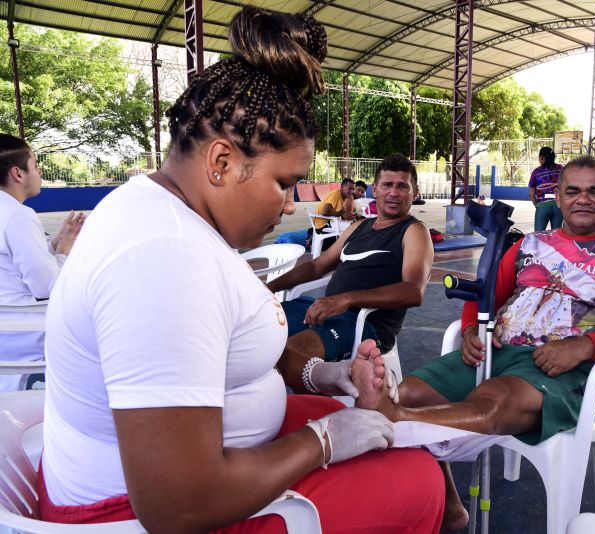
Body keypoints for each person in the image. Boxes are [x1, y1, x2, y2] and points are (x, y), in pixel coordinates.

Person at [39, 9, 443, 533]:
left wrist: (322, 376)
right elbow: (178, 506)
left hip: (204, 464)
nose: (288, 204)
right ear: (222, 163)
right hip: (132, 512)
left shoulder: (168, 216)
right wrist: (322, 442)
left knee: (394, 437)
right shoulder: (163, 257)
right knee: (417, 480)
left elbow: (225, 359)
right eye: (284, 183)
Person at [353, 155, 595, 531]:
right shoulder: (529, 245)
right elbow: (483, 293)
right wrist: (470, 330)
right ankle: (451, 506)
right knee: (405, 393)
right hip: (494, 351)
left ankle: (398, 420)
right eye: (573, 191)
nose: (583, 199)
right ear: (558, 197)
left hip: (561, 369)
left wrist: (583, 347)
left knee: (492, 402)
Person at [268, 153, 434, 393]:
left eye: (402, 186)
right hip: (325, 308)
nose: (394, 193)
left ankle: (308, 415)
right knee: (256, 326)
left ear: (414, 193)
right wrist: (268, 287)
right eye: (387, 185)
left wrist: (345, 299)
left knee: (290, 351)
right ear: (374, 190)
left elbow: (413, 291)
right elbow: (318, 265)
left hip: (363, 324)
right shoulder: (360, 226)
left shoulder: (413, 231)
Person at [0, 134, 84, 391]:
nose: (39, 172)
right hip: (23, 331)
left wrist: (55, 242)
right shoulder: (19, 216)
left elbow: (11, 264)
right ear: (18, 173)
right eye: (35, 165)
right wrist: (64, 252)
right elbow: (46, 286)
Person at [528, 146, 564, 231]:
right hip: (558, 206)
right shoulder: (561, 169)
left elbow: (531, 192)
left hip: (542, 206)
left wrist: (536, 204)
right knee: (557, 234)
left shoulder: (536, 172)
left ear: (541, 157)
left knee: (538, 235)